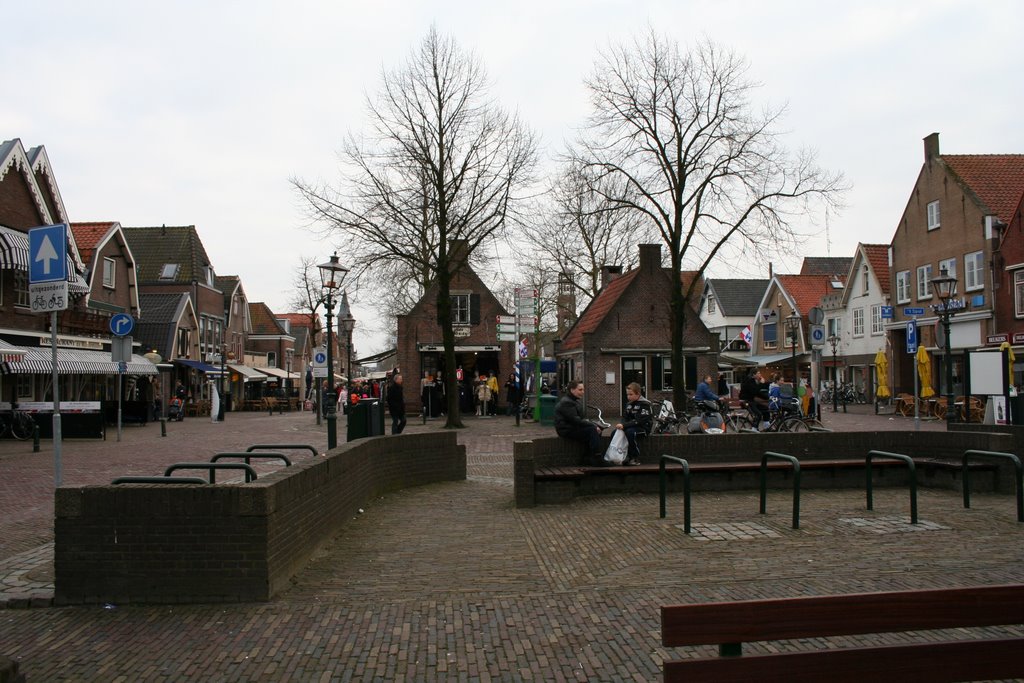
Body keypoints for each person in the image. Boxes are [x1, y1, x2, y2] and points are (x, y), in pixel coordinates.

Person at [553, 380, 604, 466]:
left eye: (583, 390)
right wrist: (594, 425)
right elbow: (576, 420)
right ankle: (597, 458)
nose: (583, 392)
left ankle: (588, 458)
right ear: (572, 390)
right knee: (592, 430)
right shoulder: (567, 402)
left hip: (571, 427)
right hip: (566, 430)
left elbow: (581, 418)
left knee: (594, 430)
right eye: (580, 390)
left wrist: (595, 425)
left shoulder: (573, 401)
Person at [614, 382, 652, 466]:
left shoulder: (645, 404)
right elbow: (624, 417)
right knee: (614, 432)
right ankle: (618, 455)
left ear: (638, 394)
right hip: (630, 426)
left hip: (643, 427)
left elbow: (640, 420)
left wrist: (624, 426)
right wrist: (622, 425)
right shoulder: (628, 404)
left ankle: (634, 457)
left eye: (631, 394)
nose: (628, 397)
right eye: (627, 395)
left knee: (630, 432)